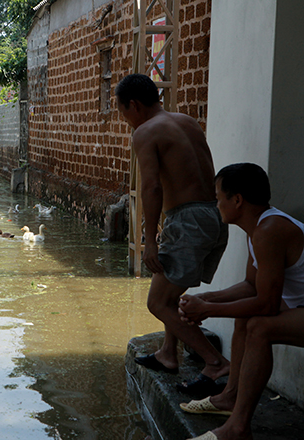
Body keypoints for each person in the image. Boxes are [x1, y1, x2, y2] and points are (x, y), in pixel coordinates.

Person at [115, 73, 230, 392]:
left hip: (188, 219)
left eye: (123, 113)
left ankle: (216, 363)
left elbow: (151, 187)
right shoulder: (186, 121)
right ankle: (168, 353)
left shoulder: (145, 131)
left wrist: (148, 241)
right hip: (214, 214)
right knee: (170, 291)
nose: (126, 121)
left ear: (134, 106)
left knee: (158, 303)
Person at [179, 163, 304, 440]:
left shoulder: (269, 231)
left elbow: (268, 306)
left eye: (218, 196)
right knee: (246, 318)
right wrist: (205, 298)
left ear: (237, 200)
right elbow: (251, 286)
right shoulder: (258, 228)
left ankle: (237, 428)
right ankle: (230, 397)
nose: (216, 203)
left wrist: (208, 310)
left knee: (259, 327)